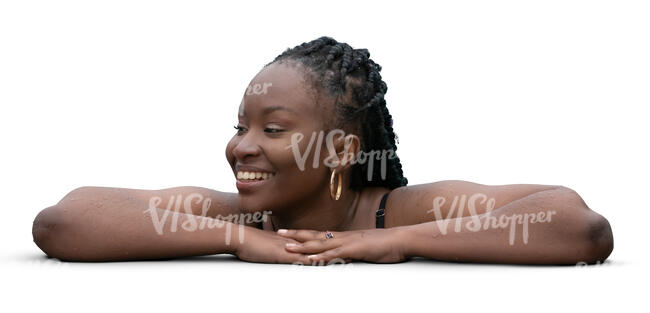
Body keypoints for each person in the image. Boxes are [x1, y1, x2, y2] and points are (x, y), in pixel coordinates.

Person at [32, 36, 613, 265]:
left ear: (340, 150)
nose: (243, 148)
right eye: (240, 126)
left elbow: (576, 225)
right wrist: (238, 237)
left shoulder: (396, 210)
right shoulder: (243, 213)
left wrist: (395, 240)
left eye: (274, 130)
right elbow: (63, 222)